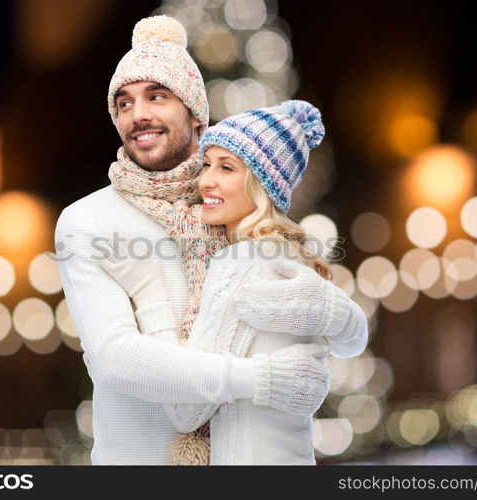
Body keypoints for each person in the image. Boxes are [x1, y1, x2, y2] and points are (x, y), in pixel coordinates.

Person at [55, 15, 342, 465]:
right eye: (124, 104)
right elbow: (116, 357)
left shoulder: (233, 201)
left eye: (157, 96)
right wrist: (261, 379)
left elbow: (303, 319)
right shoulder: (88, 221)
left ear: (194, 110)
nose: (139, 115)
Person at [100, 100, 369, 465]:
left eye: (226, 168)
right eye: (207, 163)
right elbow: (353, 337)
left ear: (262, 184)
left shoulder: (241, 263)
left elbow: (186, 410)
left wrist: (152, 300)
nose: (206, 179)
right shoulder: (291, 260)